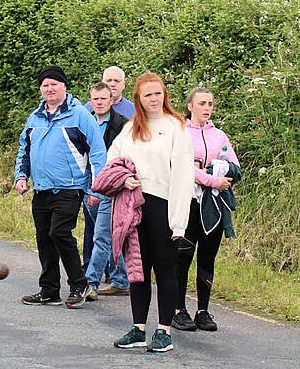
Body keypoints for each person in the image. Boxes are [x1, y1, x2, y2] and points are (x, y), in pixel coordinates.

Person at [102, 72, 193, 352]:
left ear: (164, 94)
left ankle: (164, 330)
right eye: (147, 95)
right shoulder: (131, 129)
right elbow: (112, 161)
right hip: (134, 208)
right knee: (138, 271)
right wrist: (123, 179)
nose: (154, 99)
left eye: (158, 93)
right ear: (138, 100)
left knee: (165, 270)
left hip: (163, 207)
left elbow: (182, 176)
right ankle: (138, 328)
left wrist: (178, 223)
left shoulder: (176, 126)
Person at [14, 65, 106, 309]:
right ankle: (49, 290)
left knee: (59, 232)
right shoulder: (35, 117)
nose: (50, 88)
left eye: (54, 84)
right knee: (44, 238)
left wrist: (96, 189)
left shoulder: (79, 115)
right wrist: (21, 176)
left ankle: (79, 284)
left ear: (64, 86)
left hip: (70, 187)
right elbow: (25, 149)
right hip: (42, 188)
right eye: (45, 85)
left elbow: (97, 152)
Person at [172, 87, 241, 332]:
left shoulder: (219, 135)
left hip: (213, 206)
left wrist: (215, 171)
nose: (207, 108)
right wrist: (213, 178)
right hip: (188, 203)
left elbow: (235, 167)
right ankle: (178, 310)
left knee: (207, 258)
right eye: (202, 103)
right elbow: (182, 167)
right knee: (182, 258)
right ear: (190, 106)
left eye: (210, 104)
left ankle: (203, 310)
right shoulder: (179, 131)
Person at [81, 66, 134, 277]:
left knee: (106, 232)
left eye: (116, 81)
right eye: (108, 80)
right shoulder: (86, 115)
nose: (112, 84)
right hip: (89, 181)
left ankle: (91, 281)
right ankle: (117, 276)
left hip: (113, 183)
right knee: (97, 230)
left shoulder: (127, 116)